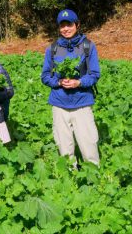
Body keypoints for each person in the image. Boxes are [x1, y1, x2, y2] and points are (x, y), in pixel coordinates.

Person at [41, 9, 101, 166]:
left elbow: (94, 74)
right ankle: (70, 178)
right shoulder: (52, 49)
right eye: (62, 26)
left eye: (69, 25)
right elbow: (45, 76)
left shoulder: (88, 46)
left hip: (82, 102)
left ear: (77, 25)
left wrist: (78, 82)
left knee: (89, 144)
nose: (65, 29)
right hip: (59, 103)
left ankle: (94, 177)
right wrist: (58, 82)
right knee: (64, 146)